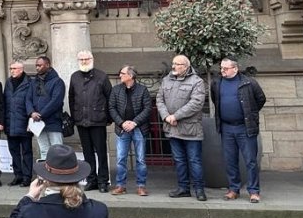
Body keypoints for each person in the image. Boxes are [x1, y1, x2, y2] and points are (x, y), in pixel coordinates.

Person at [212, 57, 267, 203]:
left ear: (235, 69)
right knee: (230, 160)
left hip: (245, 127)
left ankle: (254, 191)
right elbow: (215, 100)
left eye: (225, 68)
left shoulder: (248, 82)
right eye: (221, 68)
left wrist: (251, 114)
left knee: (250, 160)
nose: (222, 71)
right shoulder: (217, 83)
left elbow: (261, 99)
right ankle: (233, 189)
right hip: (227, 127)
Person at [157, 54, 208, 201]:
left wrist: (176, 116)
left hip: (190, 129)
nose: (173, 66)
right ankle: (183, 188)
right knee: (179, 160)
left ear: (186, 66)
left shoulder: (196, 81)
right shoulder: (166, 80)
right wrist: (166, 116)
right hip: (172, 128)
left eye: (177, 64)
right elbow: (159, 99)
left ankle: (199, 189)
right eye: (173, 63)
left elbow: (196, 103)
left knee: (194, 160)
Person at [68, 50, 112, 192]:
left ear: (92, 59)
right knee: (87, 153)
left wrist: (108, 118)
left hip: (98, 120)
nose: (84, 61)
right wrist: (75, 117)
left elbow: (110, 98)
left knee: (101, 152)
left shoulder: (102, 76)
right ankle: (91, 179)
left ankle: (103, 181)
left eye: (86, 59)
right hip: (82, 120)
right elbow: (71, 98)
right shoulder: (74, 77)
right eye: (81, 59)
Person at [108, 65, 152, 196]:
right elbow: (111, 108)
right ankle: (121, 185)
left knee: (141, 159)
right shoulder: (116, 90)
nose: (119, 75)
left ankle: (141, 186)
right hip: (122, 129)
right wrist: (122, 123)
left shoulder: (142, 90)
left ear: (130, 76)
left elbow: (148, 108)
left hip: (139, 128)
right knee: (121, 158)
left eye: (122, 73)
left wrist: (134, 122)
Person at [26, 56, 65, 160]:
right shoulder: (34, 82)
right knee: (44, 150)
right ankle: (46, 175)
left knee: (57, 151)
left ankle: (57, 175)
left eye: (40, 65)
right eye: (36, 65)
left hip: (53, 122)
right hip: (38, 123)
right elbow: (28, 98)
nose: (37, 68)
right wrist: (32, 112)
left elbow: (56, 101)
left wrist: (41, 114)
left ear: (47, 65)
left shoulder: (57, 82)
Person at [3, 61, 33, 187]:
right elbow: (4, 102)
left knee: (26, 151)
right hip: (10, 123)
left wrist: (31, 121)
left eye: (14, 68)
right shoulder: (8, 82)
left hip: (24, 123)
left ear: (21, 69)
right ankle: (18, 175)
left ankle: (27, 176)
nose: (12, 70)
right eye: (11, 68)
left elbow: (32, 102)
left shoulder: (30, 82)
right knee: (14, 151)